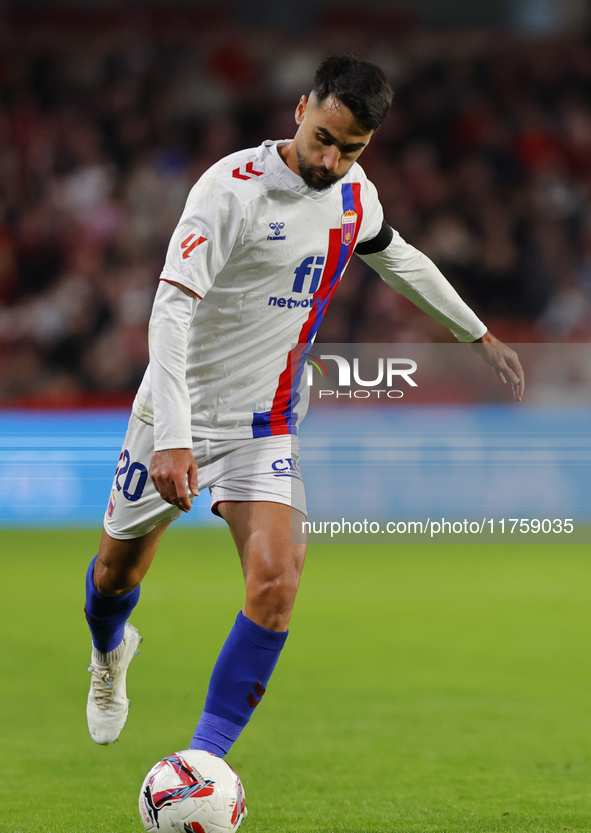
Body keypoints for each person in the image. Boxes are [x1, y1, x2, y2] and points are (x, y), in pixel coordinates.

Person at [84, 56, 524, 753]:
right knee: (116, 575)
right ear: (299, 108)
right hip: (176, 413)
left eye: (349, 149)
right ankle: (109, 651)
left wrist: (477, 333)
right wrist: (170, 436)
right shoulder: (229, 190)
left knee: (276, 584)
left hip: (266, 424)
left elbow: (397, 256)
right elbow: (169, 313)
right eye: (322, 137)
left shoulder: (354, 195)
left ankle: (203, 763)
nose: (329, 159)